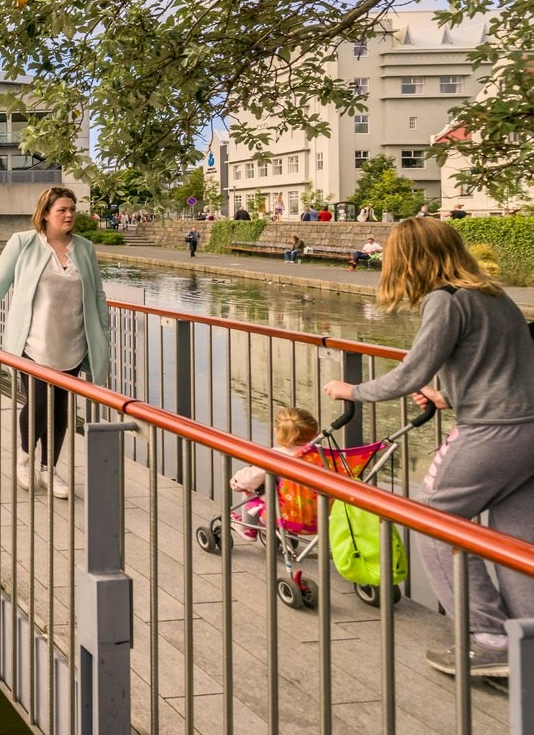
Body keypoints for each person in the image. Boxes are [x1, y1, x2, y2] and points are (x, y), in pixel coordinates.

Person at [323, 217, 534, 678]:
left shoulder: (445, 299)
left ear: (411, 259)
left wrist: (351, 391)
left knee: (433, 521)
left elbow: (411, 371)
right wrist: (448, 396)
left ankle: (490, 637)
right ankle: (526, 638)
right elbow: (498, 367)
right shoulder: (493, 294)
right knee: (515, 542)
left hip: (492, 432)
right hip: (527, 430)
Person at [0, 186, 112, 500]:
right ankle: (26, 458)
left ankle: (50, 468)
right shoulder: (23, 243)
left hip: (73, 342)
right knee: (37, 403)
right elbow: (0, 284)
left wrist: (102, 335)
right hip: (34, 343)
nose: (69, 215)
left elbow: (98, 295)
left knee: (62, 409)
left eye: (72, 210)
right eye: (62, 209)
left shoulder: (85, 248)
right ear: (46, 213)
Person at [228, 407, 319, 540]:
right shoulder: (323, 457)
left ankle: (248, 528)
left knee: (252, 487)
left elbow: (248, 479)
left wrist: (236, 483)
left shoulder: (276, 456)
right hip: (320, 519)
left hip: (282, 516)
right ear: (316, 434)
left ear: (277, 432)